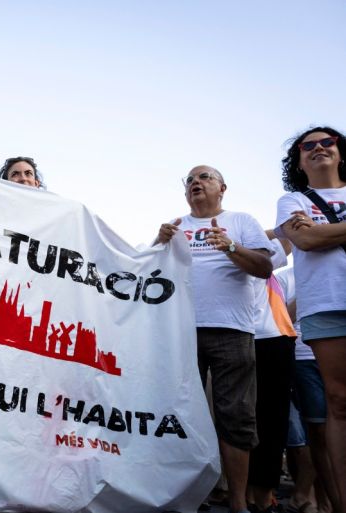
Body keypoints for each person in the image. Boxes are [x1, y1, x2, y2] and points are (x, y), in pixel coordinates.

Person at [155, 165, 273, 513]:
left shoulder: (241, 221)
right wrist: (158, 244)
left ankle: (238, 502)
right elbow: (150, 273)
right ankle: (190, 497)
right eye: (190, 179)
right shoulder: (175, 227)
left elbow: (265, 268)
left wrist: (231, 247)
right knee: (180, 414)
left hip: (231, 330)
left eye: (204, 177)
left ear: (223, 187)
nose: (196, 182)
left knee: (235, 415)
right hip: (180, 332)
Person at [275, 126, 346, 513]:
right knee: (339, 402)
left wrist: (322, 231)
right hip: (327, 303)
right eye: (308, 146)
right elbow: (304, 241)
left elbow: (317, 236)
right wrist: (316, 234)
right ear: (299, 161)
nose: (318, 148)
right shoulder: (291, 201)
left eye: (327, 142)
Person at [246, 232, 296, 513]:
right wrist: (276, 231)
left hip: (276, 338)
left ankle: (261, 496)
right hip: (258, 339)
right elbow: (287, 236)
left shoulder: (262, 260)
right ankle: (255, 497)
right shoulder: (254, 258)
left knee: (271, 422)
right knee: (260, 421)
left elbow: (285, 238)